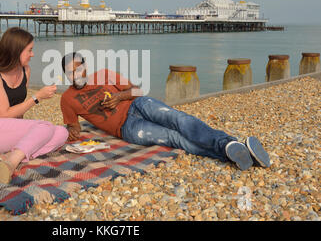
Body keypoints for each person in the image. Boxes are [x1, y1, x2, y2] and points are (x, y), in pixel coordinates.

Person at [60, 52, 271, 171]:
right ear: (65, 74)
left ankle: (228, 144)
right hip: (128, 128)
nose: (76, 74)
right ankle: (234, 152)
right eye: (70, 72)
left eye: (79, 68)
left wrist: (119, 97)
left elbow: (136, 90)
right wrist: (73, 132)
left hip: (138, 104)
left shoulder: (105, 74)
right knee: (174, 137)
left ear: (85, 67)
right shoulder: (67, 99)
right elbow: (74, 127)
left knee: (178, 118)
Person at [0, 27, 68, 184]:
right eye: (29, 50)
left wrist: (25, 128)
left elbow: (17, 111)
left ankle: (5, 157)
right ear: (16, 51)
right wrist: (37, 97)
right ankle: (12, 162)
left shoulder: (25, 70)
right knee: (46, 126)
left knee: (61, 132)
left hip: (2, 132)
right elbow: (4, 114)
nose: (32, 54)